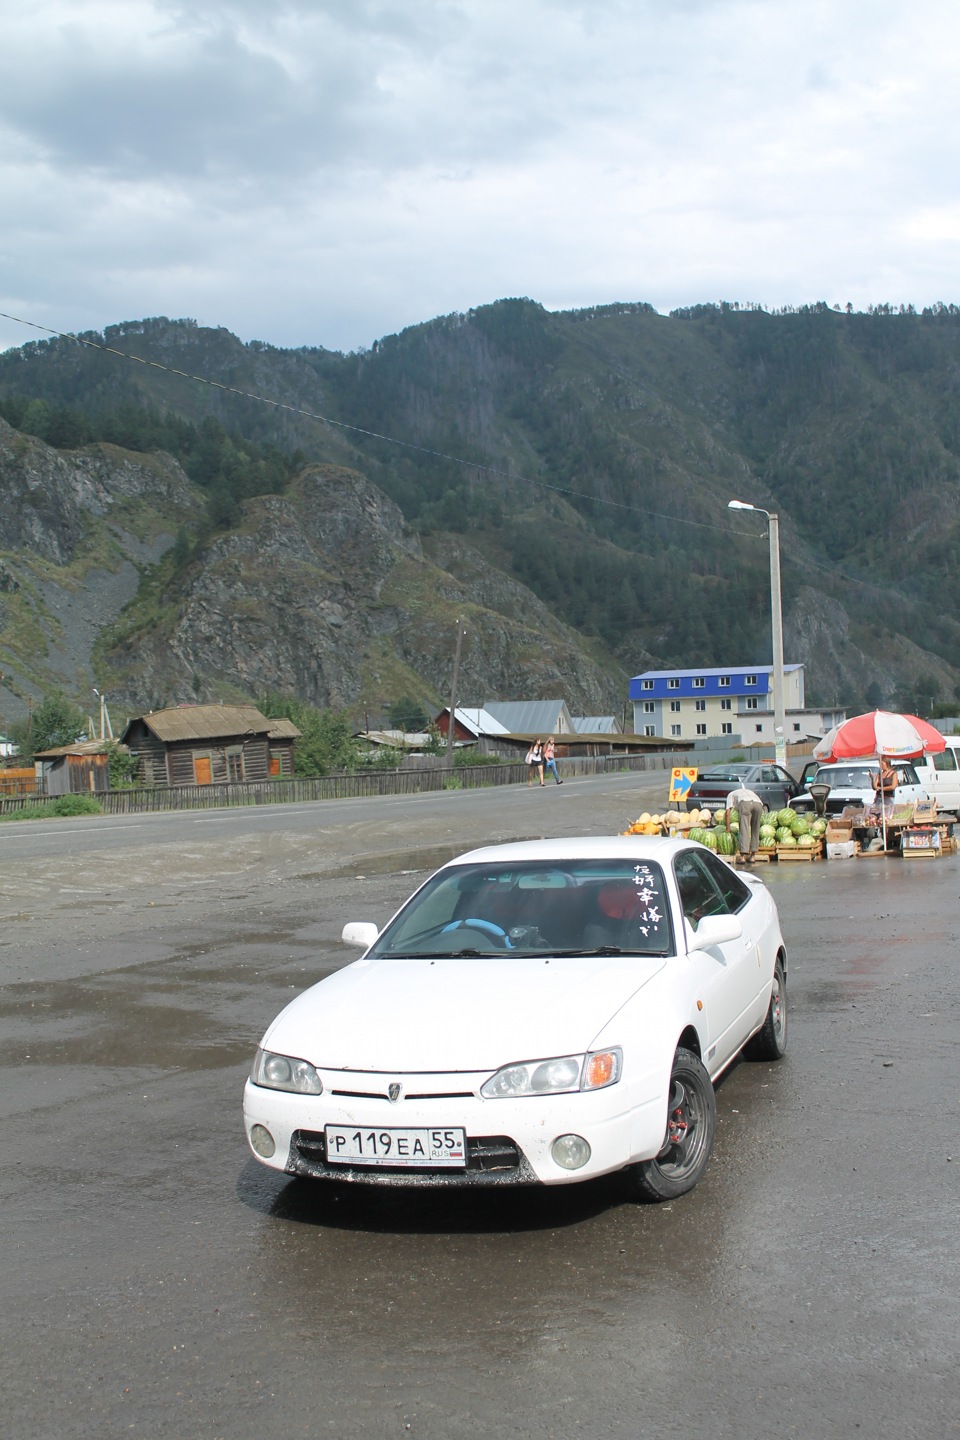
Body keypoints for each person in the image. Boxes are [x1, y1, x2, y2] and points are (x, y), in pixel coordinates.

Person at [725, 783, 764, 862]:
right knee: (755, 829)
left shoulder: (730, 795)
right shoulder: (747, 791)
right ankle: (753, 856)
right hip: (758, 804)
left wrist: (728, 829)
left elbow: (727, 813)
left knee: (744, 829)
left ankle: (742, 857)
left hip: (745, 803)